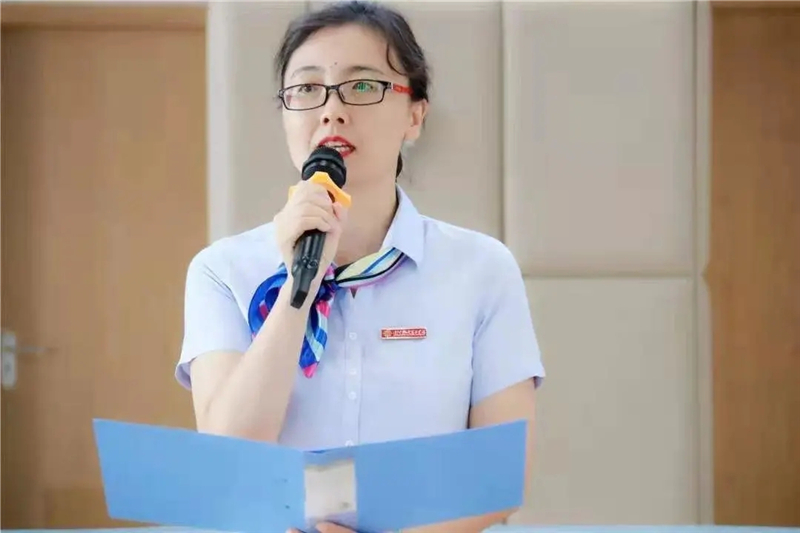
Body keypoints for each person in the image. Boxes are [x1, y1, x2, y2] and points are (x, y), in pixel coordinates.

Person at [175, 1, 545, 532]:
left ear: (415, 115)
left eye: (363, 85)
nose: (331, 110)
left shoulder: (481, 269)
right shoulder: (223, 270)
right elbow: (227, 463)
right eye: (307, 88)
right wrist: (297, 288)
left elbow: (499, 475)